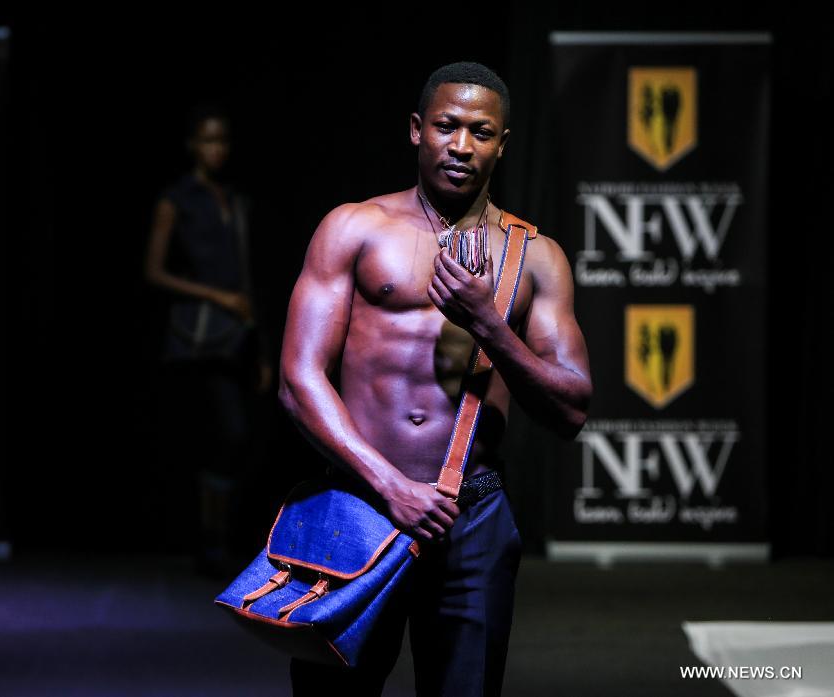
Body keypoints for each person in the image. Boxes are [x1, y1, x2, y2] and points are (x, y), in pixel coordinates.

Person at [278, 62, 592, 696]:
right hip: (361, 499)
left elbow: (571, 410)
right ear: (417, 131)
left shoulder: (534, 257)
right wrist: (389, 485)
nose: (461, 145)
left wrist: (491, 326)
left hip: (467, 511)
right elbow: (298, 379)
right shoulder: (355, 227)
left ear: (502, 144)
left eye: (481, 132)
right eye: (447, 126)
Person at [144, 102, 272, 574]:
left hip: (235, 337)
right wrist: (217, 296)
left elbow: (248, 277)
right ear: (192, 145)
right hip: (193, 340)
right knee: (216, 434)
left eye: (222, 140)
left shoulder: (235, 201)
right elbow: (153, 272)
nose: (216, 149)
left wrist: (263, 350)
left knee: (237, 438)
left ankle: (218, 541)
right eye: (207, 139)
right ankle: (208, 543)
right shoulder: (176, 198)